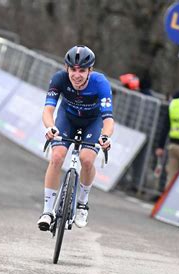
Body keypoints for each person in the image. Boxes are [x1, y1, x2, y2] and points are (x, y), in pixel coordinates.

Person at [37, 45, 114, 231]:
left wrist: (105, 136)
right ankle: (47, 211)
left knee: (86, 159)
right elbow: (48, 110)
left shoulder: (100, 83)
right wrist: (51, 127)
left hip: (92, 122)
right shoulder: (59, 79)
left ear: (90, 70)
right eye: (73, 69)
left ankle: (82, 202)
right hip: (67, 119)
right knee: (57, 156)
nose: (76, 75)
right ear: (67, 68)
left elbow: (108, 119)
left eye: (82, 70)